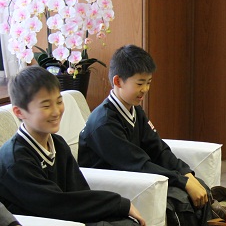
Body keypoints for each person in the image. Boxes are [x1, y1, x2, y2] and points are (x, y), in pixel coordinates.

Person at [78, 44, 213, 225]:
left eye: (148, 82)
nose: (146, 89)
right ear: (118, 81)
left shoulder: (135, 111)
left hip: (137, 176)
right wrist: (181, 182)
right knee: (180, 199)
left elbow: (158, 149)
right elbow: (137, 164)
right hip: (116, 184)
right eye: (140, 83)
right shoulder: (103, 124)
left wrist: (185, 173)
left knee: (199, 186)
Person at [0, 66, 146, 226]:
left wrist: (117, 209)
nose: (56, 111)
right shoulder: (15, 161)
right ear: (19, 112)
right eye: (46, 106)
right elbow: (56, 204)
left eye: (59, 101)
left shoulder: (58, 144)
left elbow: (79, 193)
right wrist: (118, 203)